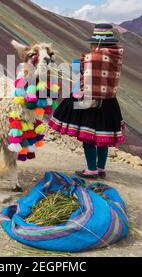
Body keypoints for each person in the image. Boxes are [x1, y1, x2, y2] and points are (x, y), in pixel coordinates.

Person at [48, 24, 125, 179]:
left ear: (97, 42)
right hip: (110, 102)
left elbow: (82, 76)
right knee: (103, 139)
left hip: (92, 103)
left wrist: (77, 67)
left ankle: (91, 170)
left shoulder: (93, 58)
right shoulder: (116, 57)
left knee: (88, 137)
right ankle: (100, 168)